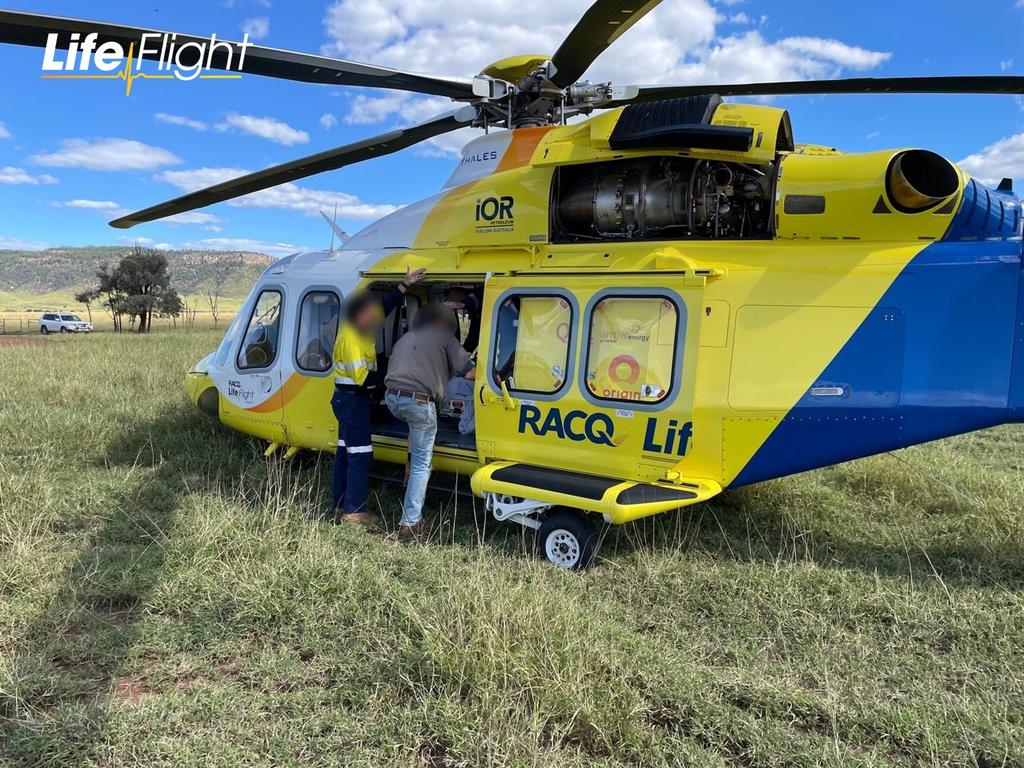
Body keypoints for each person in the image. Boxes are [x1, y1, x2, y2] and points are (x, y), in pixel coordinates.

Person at [330, 267, 426, 524]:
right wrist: (392, 371)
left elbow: (385, 306)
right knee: (360, 453)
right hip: (352, 400)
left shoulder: (357, 326)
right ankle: (354, 510)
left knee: (344, 452)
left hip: (348, 400)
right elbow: (363, 380)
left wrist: (405, 284)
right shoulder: (351, 339)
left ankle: (339, 504)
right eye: (369, 317)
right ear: (358, 315)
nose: (374, 320)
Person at [384, 302, 475, 540]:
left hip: (392, 398)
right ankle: (410, 523)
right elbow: (469, 372)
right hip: (418, 401)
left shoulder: (408, 336)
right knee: (423, 463)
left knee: (415, 433)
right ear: (444, 322)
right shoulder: (446, 337)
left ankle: (408, 476)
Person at [444, 285, 483, 352]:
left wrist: (465, 352)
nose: (450, 300)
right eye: (450, 298)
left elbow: (474, 335)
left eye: (454, 296)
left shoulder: (472, 301)